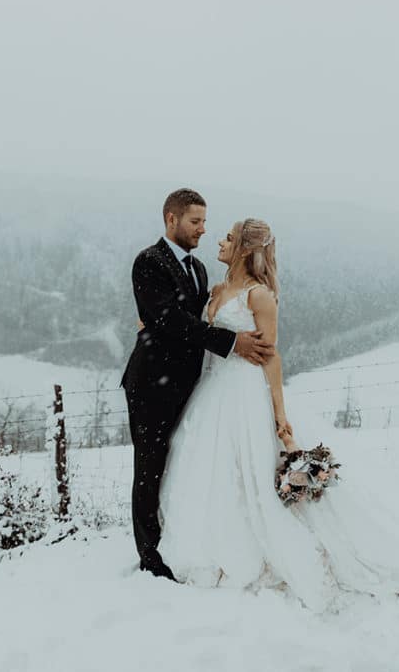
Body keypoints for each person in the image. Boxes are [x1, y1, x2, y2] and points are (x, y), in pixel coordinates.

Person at [156, 218, 399, 648]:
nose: (219, 242)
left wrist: (282, 422)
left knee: (256, 476)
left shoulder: (258, 296)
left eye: (227, 237)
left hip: (245, 395)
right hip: (213, 395)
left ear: (244, 248)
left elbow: (271, 359)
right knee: (218, 473)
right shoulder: (216, 290)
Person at [121, 189, 274, 580]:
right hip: (153, 384)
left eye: (206, 222)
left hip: (192, 383)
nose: (203, 230)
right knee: (150, 466)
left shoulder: (201, 270)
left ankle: (179, 538)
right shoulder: (149, 262)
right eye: (195, 222)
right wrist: (231, 342)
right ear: (171, 220)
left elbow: (199, 318)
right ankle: (151, 557)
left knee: (180, 465)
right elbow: (171, 320)